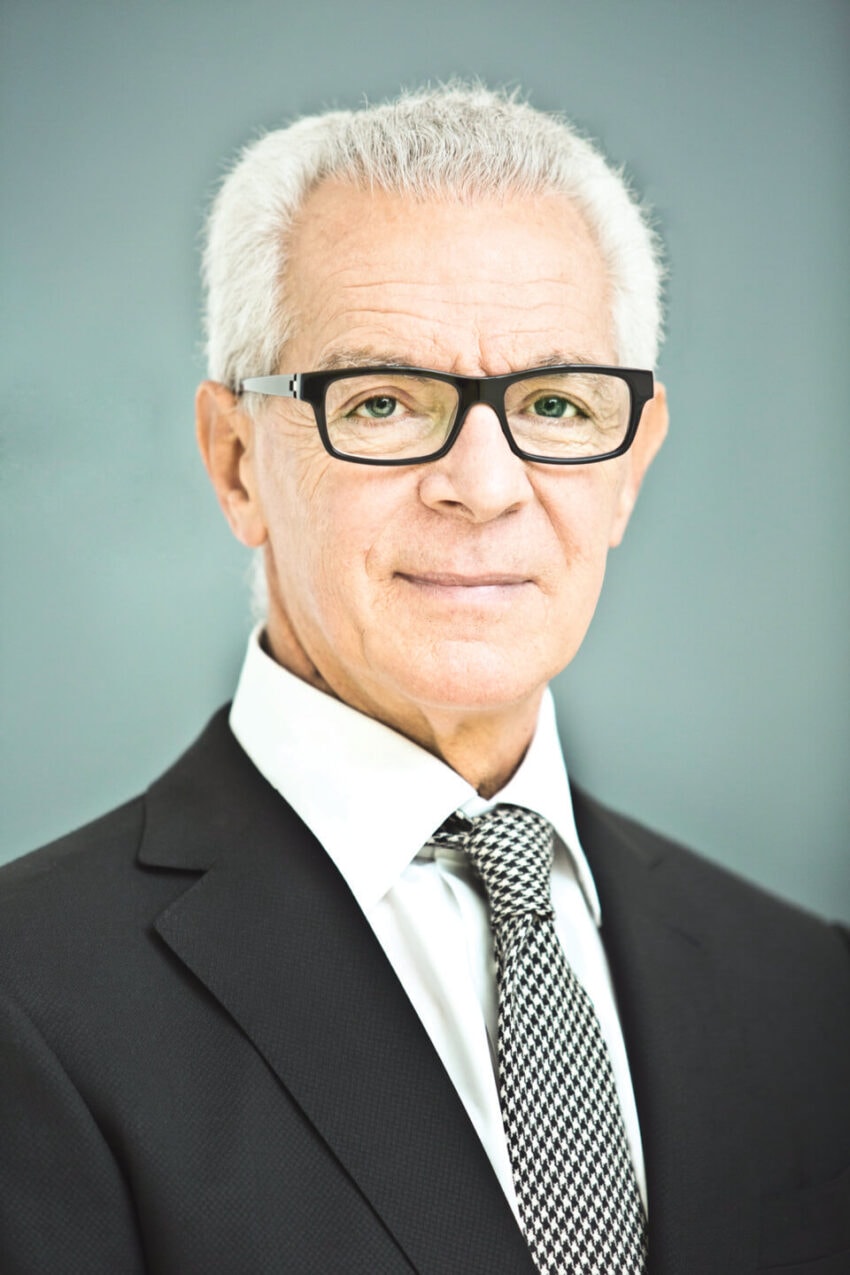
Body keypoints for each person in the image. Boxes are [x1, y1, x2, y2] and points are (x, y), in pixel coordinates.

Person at [1, 84, 847, 1275]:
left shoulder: (808, 988)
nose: (485, 484)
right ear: (236, 461)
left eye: (556, 405)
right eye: (386, 402)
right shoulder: (27, 997)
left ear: (630, 468)